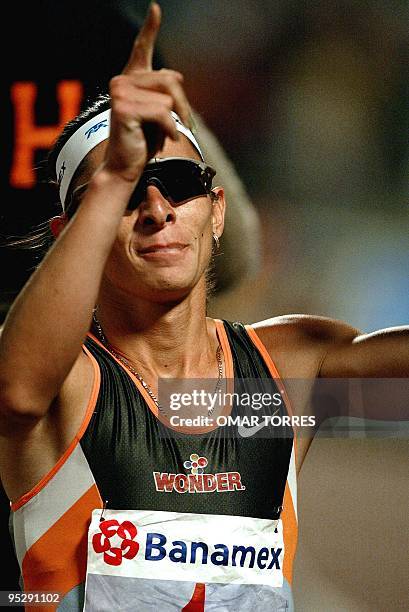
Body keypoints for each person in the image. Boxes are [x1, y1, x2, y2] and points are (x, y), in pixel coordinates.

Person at [0, 4, 407, 611]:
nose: (159, 209)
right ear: (70, 232)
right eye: (128, 190)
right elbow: (16, 390)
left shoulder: (290, 369)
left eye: (182, 186)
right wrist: (112, 177)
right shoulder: (65, 390)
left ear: (217, 211)